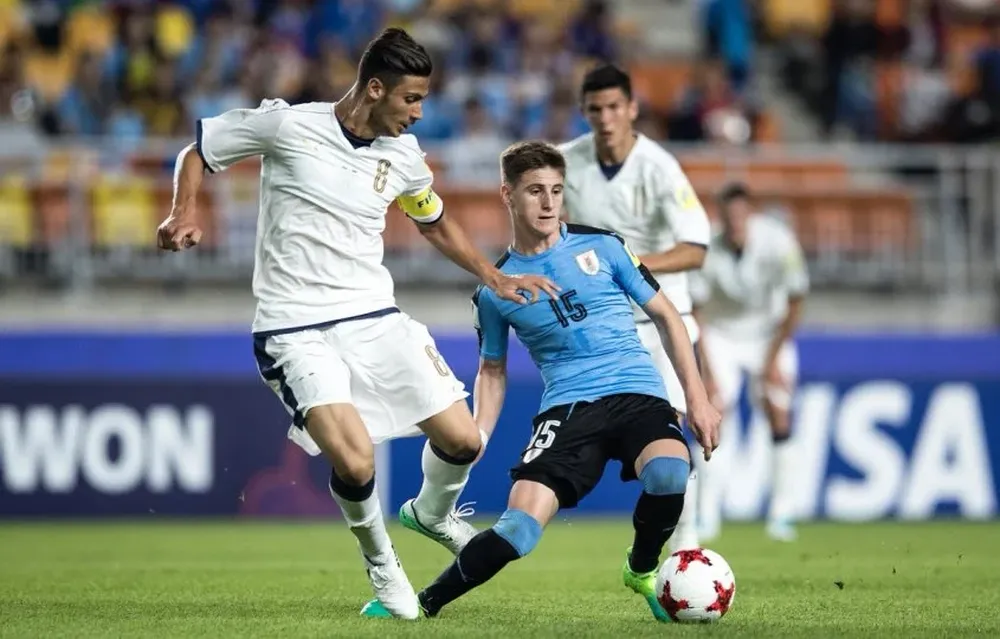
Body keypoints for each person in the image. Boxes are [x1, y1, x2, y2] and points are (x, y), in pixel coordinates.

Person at [155, 28, 557, 620]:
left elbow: (433, 221)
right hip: (294, 326)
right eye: (411, 99)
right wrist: (182, 210)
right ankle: (382, 563)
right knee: (356, 459)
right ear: (375, 88)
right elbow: (199, 150)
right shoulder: (288, 126)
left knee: (464, 441)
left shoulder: (403, 156)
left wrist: (492, 277)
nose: (419, 113)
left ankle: (432, 514)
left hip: (374, 316)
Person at [363, 141, 721, 621]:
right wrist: (480, 433)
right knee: (519, 531)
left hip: (637, 391)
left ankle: (640, 569)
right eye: (535, 191)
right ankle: (421, 603)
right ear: (507, 195)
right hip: (569, 409)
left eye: (556, 190)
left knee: (670, 473)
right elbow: (492, 369)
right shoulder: (496, 289)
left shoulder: (605, 246)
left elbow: (667, 317)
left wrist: (697, 400)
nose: (549, 203)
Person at [559, 63, 711, 552]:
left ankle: (687, 543)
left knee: (675, 429)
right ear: (584, 112)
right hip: (608, 328)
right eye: (595, 109)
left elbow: (696, 247)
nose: (605, 118)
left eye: (613, 107)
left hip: (665, 320)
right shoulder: (567, 162)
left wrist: (629, 264)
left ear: (632, 109)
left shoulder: (659, 167)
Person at [690, 182, 809, 542]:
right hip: (721, 334)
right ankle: (707, 513)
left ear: (751, 214)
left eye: (742, 215)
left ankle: (782, 513)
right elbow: (696, 313)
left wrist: (772, 361)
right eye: (730, 216)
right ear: (722, 217)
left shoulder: (779, 242)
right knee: (713, 412)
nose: (736, 222)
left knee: (778, 408)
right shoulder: (706, 246)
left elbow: (795, 301)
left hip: (768, 333)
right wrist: (706, 375)